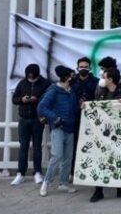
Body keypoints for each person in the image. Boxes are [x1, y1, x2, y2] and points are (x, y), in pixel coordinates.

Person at [89, 66, 121, 203]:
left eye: (104, 77)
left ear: (111, 79)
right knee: (100, 159)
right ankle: (98, 190)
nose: (102, 79)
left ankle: (120, 186)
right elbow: (95, 106)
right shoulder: (101, 92)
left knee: (118, 158)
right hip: (102, 132)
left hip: (118, 132)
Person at [37, 65, 79, 197]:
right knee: (57, 155)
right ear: (66, 77)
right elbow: (42, 107)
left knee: (67, 158)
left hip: (70, 128)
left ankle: (63, 183)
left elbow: (74, 108)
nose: (74, 77)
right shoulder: (54, 90)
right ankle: (46, 182)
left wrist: (80, 104)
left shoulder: (72, 91)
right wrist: (56, 118)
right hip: (58, 128)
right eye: (72, 75)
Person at [10, 63, 51, 186]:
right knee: (23, 146)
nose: (31, 78)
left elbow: (49, 98)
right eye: (29, 76)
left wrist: (37, 100)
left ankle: (37, 172)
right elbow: (14, 99)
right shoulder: (22, 83)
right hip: (23, 118)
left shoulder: (45, 83)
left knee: (37, 146)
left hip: (37, 119)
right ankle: (20, 173)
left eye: (33, 77)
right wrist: (22, 100)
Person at [70, 57, 98, 175]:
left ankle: (89, 171)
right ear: (77, 68)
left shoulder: (96, 82)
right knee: (74, 144)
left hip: (91, 118)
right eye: (81, 67)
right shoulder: (72, 81)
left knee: (91, 144)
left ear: (90, 68)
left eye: (86, 67)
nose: (83, 69)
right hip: (75, 117)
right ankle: (73, 171)